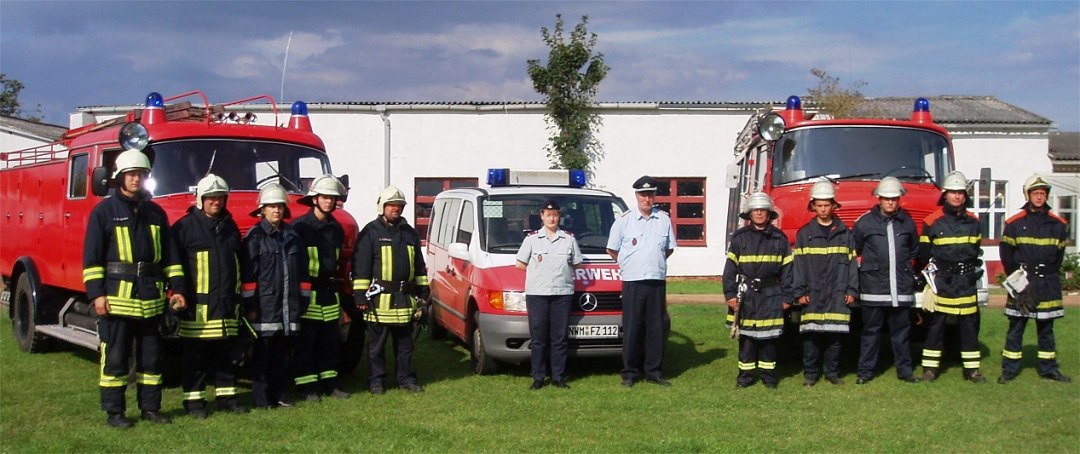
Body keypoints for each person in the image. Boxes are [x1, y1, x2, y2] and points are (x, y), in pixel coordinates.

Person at [83, 149, 186, 428]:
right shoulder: (104, 212)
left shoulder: (155, 213)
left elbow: (170, 256)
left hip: (151, 300)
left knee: (151, 360)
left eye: (141, 174)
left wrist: (177, 288)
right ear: (119, 178)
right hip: (117, 300)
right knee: (115, 359)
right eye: (131, 174)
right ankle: (115, 413)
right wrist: (97, 295)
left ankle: (150, 409)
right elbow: (92, 258)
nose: (136, 179)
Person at [172, 174, 249, 418]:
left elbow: (239, 263)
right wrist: (179, 293)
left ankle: (228, 398)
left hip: (226, 308)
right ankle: (194, 403)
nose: (216, 202)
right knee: (195, 360)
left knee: (225, 358)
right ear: (200, 200)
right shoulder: (184, 228)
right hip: (198, 310)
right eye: (211, 198)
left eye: (220, 198)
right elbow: (175, 265)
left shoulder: (230, 227)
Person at [352, 186, 429, 394]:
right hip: (379, 300)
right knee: (376, 346)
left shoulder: (410, 233)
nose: (396, 209)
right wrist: (360, 295)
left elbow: (419, 267)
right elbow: (360, 266)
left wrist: (423, 293)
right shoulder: (371, 232)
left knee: (405, 345)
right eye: (392, 205)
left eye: (399, 205)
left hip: (404, 299)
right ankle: (376, 381)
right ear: (382, 206)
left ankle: (406, 379)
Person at [998, 175, 1072, 384]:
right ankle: (1009, 370)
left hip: (1047, 282)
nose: (1039, 197)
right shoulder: (1014, 223)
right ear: (1028, 195)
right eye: (1036, 193)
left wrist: (1046, 275)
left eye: (1043, 193)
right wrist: (1019, 283)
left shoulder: (1058, 224)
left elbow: (1058, 257)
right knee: (1016, 327)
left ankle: (1049, 369)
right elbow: (1007, 256)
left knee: (1047, 329)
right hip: (1022, 280)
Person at [241, 183, 309, 409]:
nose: (276, 211)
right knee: (262, 356)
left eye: (280, 206)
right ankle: (261, 400)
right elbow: (249, 276)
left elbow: (302, 271)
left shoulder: (292, 236)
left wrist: (303, 299)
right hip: (264, 307)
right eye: (272, 207)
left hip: (288, 307)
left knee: (281, 357)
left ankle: (278, 396)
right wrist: (250, 305)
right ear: (263, 210)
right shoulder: (254, 237)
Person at [606, 175, 677, 388]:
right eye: (643, 194)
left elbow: (669, 248)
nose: (647, 198)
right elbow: (611, 248)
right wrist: (629, 264)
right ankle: (629, 373)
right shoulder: (624, 221)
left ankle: (654, 371)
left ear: (655, 195)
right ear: (636, 195)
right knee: (632, 328)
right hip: (633, 281)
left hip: (655, 280)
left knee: (655, 328)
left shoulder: (663, 219)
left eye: (650, 194)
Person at [917, 171, 986, 383]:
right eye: (953, 192)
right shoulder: (932, 222)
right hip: (942, 281)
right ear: (945, 195)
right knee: (936, 326)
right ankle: (930, 369)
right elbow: (923, 254)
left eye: (961, 193)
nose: (957, 196)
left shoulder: (974, 222)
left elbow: (975, 250)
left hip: (966, 281)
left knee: (968, 326)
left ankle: (972, 370)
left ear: (965, 196)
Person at [852, 177, 920, 384]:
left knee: (901, 333)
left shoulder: (907, 222)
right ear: (878, 199)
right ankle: (865, 373)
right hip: (874, 287)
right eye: (886, 199)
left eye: (894, 199)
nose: (890, 202)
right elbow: (856, 249)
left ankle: (905, 372)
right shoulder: (864, 222)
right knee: (870, 333)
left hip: (900, 287)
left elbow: (913, 249)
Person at [723, 192, 793, 389]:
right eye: (756, 210)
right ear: (750, 213)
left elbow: (788, 270)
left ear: (769, 213)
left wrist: (787, 296)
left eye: (763, 210)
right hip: (746, 295)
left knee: (769, 338)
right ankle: (745, 377)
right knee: (746, 338)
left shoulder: (780, 239)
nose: (759, 213)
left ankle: (769, 377)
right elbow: (729, 269)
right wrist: (729, 294)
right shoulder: (739, 238)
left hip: (771, 293)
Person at [292, 175, 351, 401]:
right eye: (325, 197)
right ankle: (307, 387)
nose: (329, 202)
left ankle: (330, 384)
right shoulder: (299, 228)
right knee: (306, 343)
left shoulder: (335, 229)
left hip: (329, 294)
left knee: (330, 343)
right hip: (307, 294)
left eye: (332, 198)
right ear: (314, 199)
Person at [791, 181, 857, 387]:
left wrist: (852, 289)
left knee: (835, 338)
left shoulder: (845, 234)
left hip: (838, 293)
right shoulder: (805, 234)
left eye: (826, 205)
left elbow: (852, 264)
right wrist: (799, 291)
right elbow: (799, 266)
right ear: (813, 207)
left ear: (833, 205)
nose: (823, 209)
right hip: (813, 294)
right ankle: (810, 375)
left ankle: (832, 373)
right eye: (819, 205)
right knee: (811, 337)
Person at [516, 199, 583, 390]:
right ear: (542, 217)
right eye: (548, 215)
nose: (552, 218)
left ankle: (558, 377)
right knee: (538, 338)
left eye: (555, 215)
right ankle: (538, 377)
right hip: (538, 293)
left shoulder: (569, 239)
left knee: (560, 338)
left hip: (562, 293)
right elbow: (520, 264)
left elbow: (577, 263)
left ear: (559, 216)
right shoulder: (532, 239)